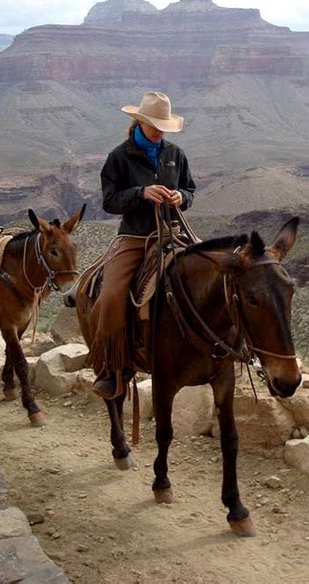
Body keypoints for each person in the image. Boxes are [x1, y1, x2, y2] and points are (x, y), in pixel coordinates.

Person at [89, 91, 195, 398]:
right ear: (140, 121)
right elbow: (109, 202)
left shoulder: (175, 153)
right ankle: (111, 366)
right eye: (155, 125)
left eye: (164, 126)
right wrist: (140, 194)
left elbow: (189, 189)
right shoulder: (119, 157)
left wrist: (181, 198)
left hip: (174, 232)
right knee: (111, 295)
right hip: (136, 237)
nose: (160, 131)